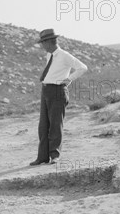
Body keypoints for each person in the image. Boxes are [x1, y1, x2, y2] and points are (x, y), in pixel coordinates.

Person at [29, 29, 88, 166]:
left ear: (50, 42)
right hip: (46, 90)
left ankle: (54, 156)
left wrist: (69, 79)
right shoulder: (49, 55)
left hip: (57, 91)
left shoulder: (64, 55)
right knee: (43, 126)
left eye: (43, 43)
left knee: (55, 125)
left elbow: (82, 67)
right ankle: (42, 157)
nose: (42, 46)